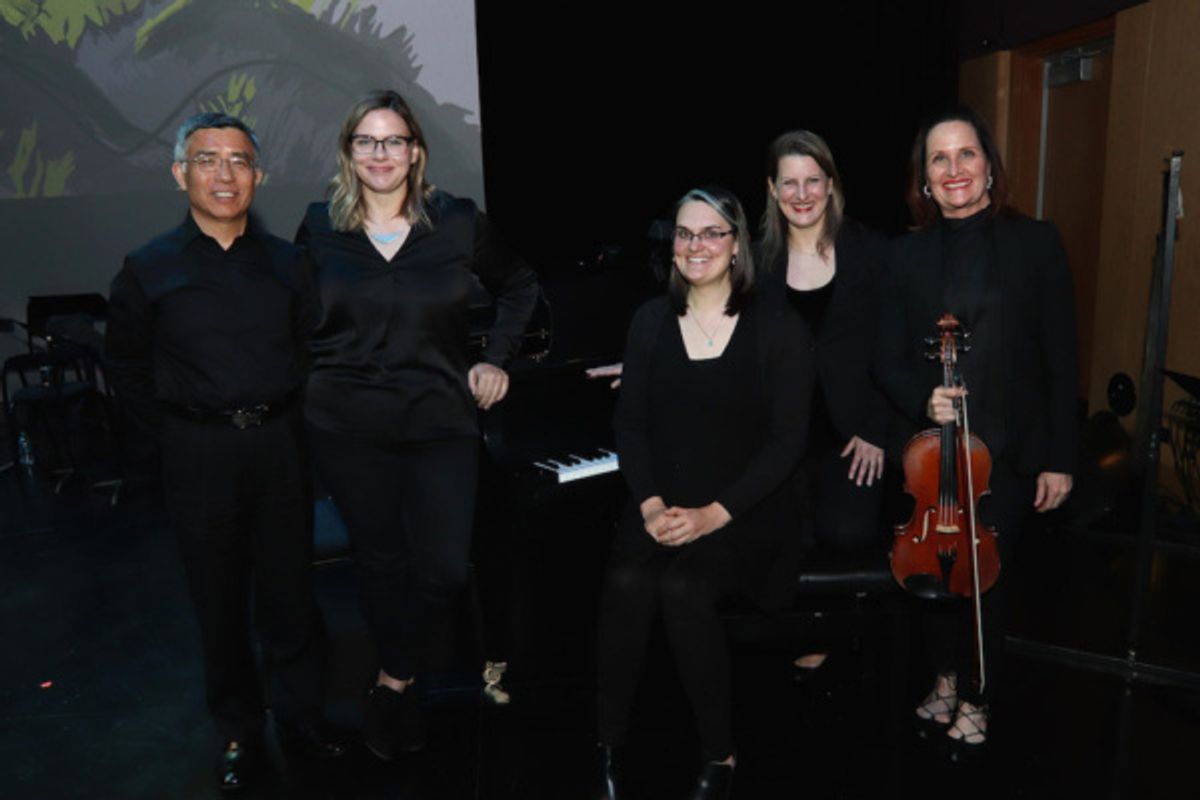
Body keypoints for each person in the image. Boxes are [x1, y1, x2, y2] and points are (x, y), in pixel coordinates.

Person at [296, 90, 538, 760]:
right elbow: (294, 316)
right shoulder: (319, 226)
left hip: (439, 419)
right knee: (380, 562)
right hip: (346, 425)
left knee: (444, 568)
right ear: (349, 153)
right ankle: (396, 684)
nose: (381, 154)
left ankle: (394, 671)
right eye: (366, 141)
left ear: (415, 151)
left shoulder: (456, 221)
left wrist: (495, 358)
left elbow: (520, 285)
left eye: (394, 140)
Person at [104, 112, 343, 792]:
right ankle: (239, 731)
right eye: (208, 159)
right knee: (218, 601)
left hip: (279, 447)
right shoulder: (148, 268)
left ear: (257, 175)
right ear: (180, 173)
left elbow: (313, 350)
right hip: (198, 453)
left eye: (239, 160)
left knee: (291, 595)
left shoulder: (291, 264)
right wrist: (177, 430)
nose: (225, 173)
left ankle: (302, 719)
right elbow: (125, 366)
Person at [594, 186, 815, 800]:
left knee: (684, 588)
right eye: (685, 234)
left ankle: (719, 752)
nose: (696, 245)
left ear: (737, 244)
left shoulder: (778, 327)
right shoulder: (649, 321)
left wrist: (713, 516)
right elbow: (630, 426)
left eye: (712, 232)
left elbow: (787, 445)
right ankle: (608, 743)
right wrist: (650, 507)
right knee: (625, 582)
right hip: (664, 505)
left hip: (747, 510)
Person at [874, 106, 1078, 753]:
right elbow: (884, 357)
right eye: (939, 158)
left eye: (967, 153)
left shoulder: (1036, 242)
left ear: (989, 166)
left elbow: (1061, 354)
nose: (954, 168)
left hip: (1007, 448)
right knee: (936, 573)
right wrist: (922, 397)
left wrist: (1060, 455)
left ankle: (979, 693)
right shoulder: (903, 256)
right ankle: (943, 676)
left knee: (987, 576)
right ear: (924, 179)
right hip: (932, 450)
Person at [758, 130, 890, 676]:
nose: (802, 194)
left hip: (854, 430)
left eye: (813, 180)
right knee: (784, 538)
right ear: (772, 189)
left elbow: (896, 346)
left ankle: (845, 634)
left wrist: (878, 428)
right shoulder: (756, 260)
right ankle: (809, 631)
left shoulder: (871, 251)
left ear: (831, 184)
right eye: (789, 183)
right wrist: (649, 361)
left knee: (847, 535)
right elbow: (708, 321)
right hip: (782, 434)